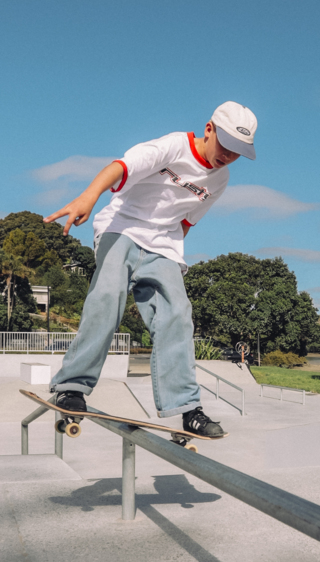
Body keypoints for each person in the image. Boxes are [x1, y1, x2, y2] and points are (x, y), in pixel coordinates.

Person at [44, 101, 257, 437]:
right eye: (226, 146)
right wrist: (89, 196)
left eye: (237, 152)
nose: (228, 156)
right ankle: (71, 388)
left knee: (177, 314)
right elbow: (120, 166)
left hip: (164, 245)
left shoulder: (221, 179)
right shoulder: (172, 146)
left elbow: (187, 221)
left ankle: (187, 408)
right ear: (209, 129)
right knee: (108, 296)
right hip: (121, 228)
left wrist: (168, 254)